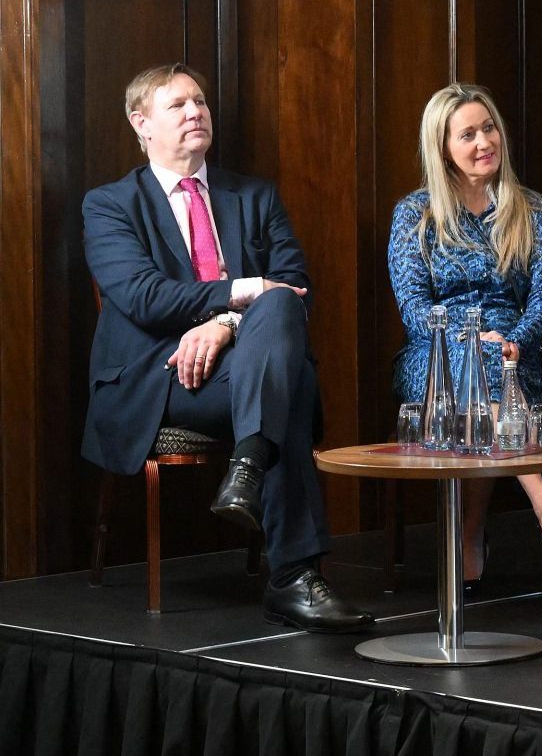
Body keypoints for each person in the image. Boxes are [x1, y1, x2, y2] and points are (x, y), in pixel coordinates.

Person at [81, 63, 374, 632]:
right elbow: (142, 297)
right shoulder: (111, 204)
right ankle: (295, 577)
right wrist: (244, 293)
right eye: (178, 105)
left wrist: (225, 326)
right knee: (291, 380)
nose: (197, 112)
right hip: (159, 377)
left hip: (239, 370)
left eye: (201, 101)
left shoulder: (254, 196)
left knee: (283, 312)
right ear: (140, 123)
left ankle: (248, 467)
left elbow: (293, 289)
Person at [388, 83, 542, 582]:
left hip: (516, 352)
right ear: (443, 147)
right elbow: (413, 306)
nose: (484, 142)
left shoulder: (533, 209)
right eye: (468, 134)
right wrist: (469, 337)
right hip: (436, 353)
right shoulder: (416, 214)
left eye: (490, 127)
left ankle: (469, 533)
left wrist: (514, 337)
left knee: (492, 377)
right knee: (476, 371)